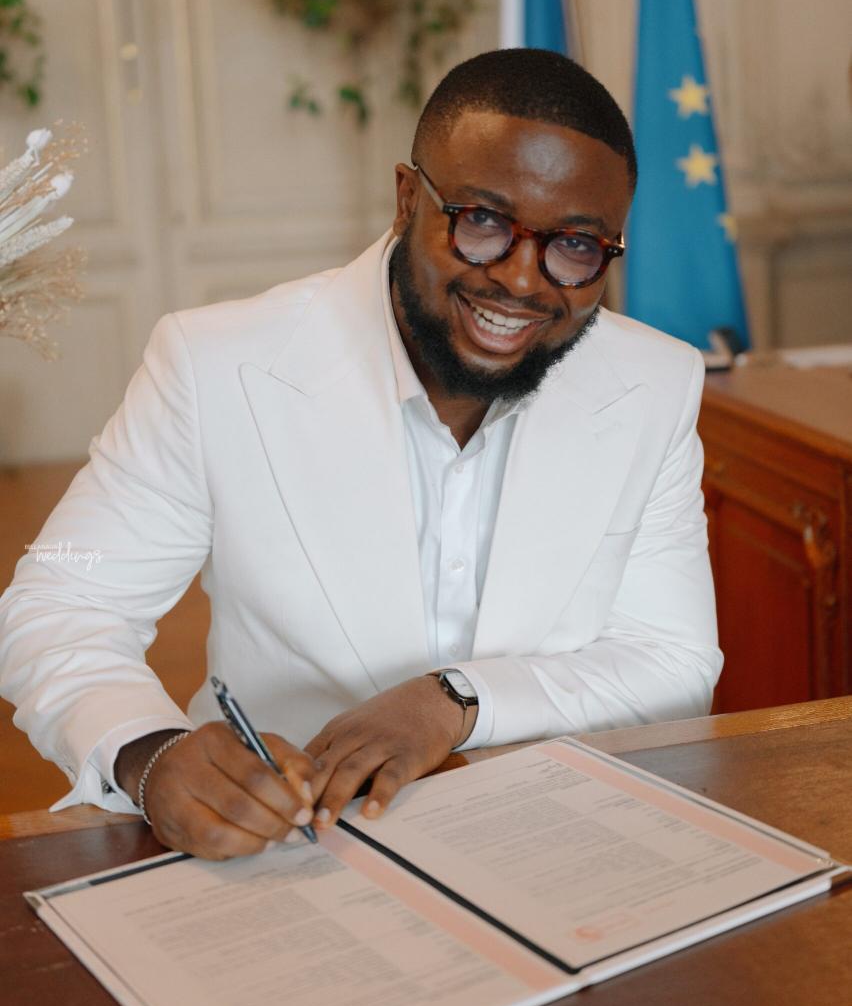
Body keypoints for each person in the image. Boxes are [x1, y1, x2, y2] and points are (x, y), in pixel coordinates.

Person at [0, 48, 722, 860]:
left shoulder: (655, 382)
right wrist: (149, 755)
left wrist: (455, 702)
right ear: (409, 198)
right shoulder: (216, 366)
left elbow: (673, 660)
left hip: (549, 845)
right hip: (288, 849)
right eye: (483, 223)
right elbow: (60, 604)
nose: (524, 281)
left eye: (577, 246)